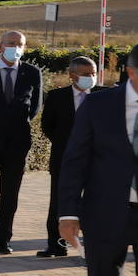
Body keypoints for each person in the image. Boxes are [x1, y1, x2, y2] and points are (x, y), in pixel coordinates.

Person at [58, 43, 138, 276]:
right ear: (132, 72)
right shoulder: (99, 105)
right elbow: (75, 160)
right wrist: (67, 213)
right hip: (106, 212)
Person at [0, 30, 42, 253]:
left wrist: (17, 124)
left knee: (10, 193)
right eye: (11, 43)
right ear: (0, 46)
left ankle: (4, 238)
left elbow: (35, 106)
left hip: (17, 141)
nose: (16, 47)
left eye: (20, 44)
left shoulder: (32, 72)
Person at [38, 57, 97, 258]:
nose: (91, 78)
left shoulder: (104, 95)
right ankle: (56, 245)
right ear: (72, 76)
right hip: (64, 159)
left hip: (96, 161)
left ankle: (93, 247)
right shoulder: (57, 97)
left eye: (93, 73)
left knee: (95, 203)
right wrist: (70, 147)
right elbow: (47, 126)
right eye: (86, 74)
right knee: (59, 201)